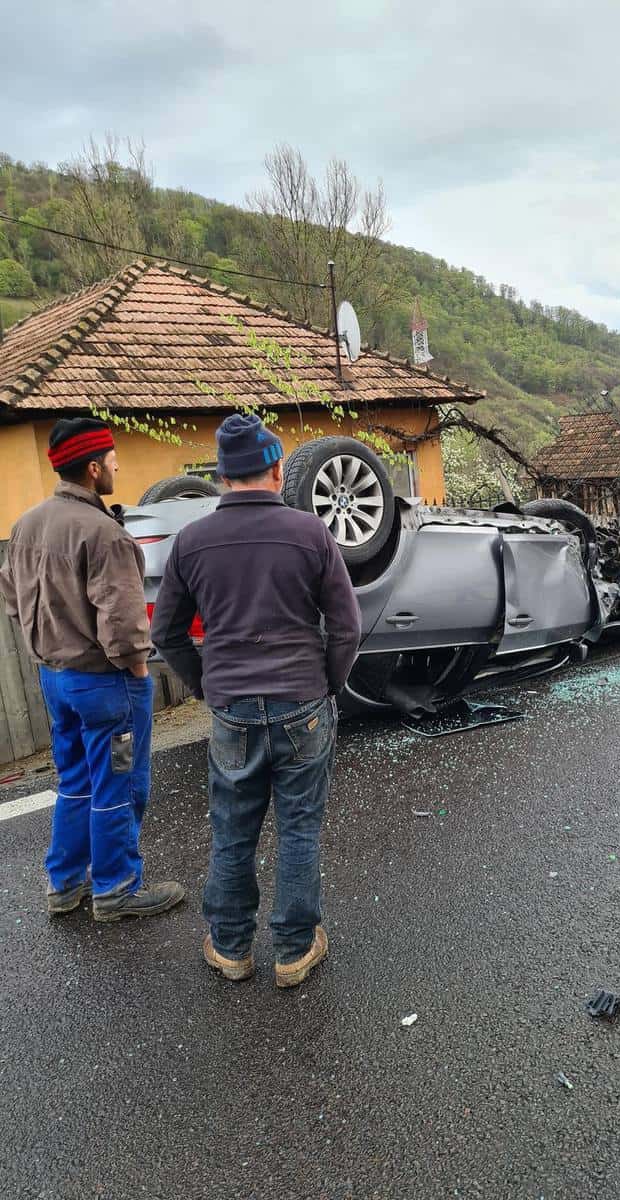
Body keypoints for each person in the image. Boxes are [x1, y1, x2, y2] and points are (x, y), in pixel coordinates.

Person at [151, 413, 362, 988]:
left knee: (233, 829)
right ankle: (294, 951)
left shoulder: (191, 541)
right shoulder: (311, 532)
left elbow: (166, 634)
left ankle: (230, 948)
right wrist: (328, 685)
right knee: (298, 828)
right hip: (302, 701)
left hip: (232, 707)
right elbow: (346, 627)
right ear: (275, 470)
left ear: (221, 475)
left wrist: (206, 686)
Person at [0, 418, 185, 920]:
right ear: (93, 467)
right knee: (119, 782)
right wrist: (138, 670)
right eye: (113, 456)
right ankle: (116, 888)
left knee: (76, 779)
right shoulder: (104, 533)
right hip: (106, 685)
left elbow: (12, 597)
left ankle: (64, 884)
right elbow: (122, 620)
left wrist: (43, 645)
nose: (118, 464)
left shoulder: (26, 524)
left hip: (55, 679)